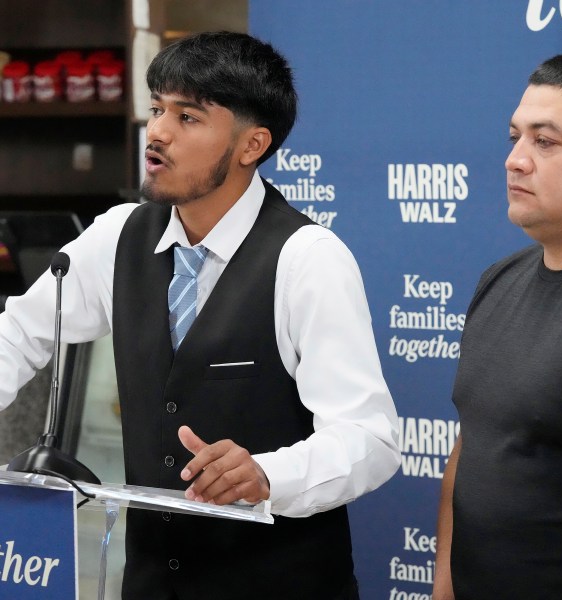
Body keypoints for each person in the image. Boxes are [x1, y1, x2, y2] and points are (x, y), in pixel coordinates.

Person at [0, 32, 401, 599]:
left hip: (278, 584)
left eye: (188, 117)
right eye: (158, 108)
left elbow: (371, 439)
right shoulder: (118, 234)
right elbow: (17, 334)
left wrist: (268, 474)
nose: (158, 132)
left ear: (251, 144)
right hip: (147, 581)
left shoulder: (308, 259)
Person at [433, 50, 562, 599]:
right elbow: (472, 447)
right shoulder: (498, 280)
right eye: (515, 138)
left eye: (545, 142)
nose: (515, 160)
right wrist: (444, 584)